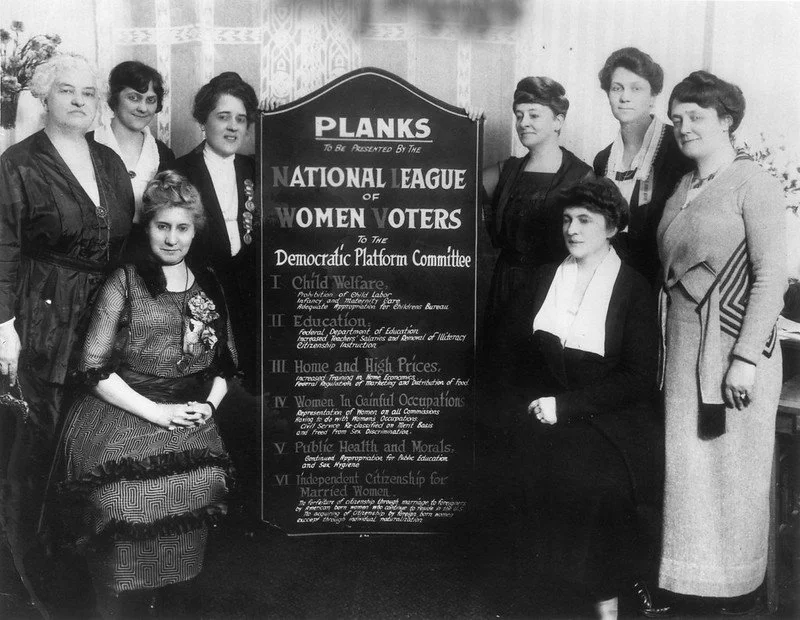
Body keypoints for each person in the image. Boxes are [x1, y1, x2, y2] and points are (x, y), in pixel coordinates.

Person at [59, 171, 237, 617]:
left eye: (182, 228)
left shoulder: (207, 281)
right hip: (121, 406)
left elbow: (225, 366)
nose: (172, 239)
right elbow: (93, 369)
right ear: (148, 226)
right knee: (120, 499)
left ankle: (173, 598)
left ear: (195, 230)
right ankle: (121, 601)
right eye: (163, 226)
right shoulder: (125, 279)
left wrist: (208, 406)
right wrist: (157, 413)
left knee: (202, 482)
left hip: (187, 412)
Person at [486, 179, 661, 619]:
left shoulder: (634, 288)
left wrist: (564, 407)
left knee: (592, 485)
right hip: (541, 410)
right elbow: (504, 352)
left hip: (608, 422)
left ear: (612, 227)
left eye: (585, 220)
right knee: (518, 471)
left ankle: (606, 601)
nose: (572, 229)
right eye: (567, 220)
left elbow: (638, 378)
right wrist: (526, 405)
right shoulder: (543, 277)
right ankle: (543, 599)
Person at [0, 53, 133, 614]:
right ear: (43, 97)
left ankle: (85, 567)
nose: (79, 100)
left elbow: (123, 245)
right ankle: (37, 583)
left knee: (91, 443)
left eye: (88, 92)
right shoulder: (19, 163)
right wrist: (3, 327)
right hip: (43, 318)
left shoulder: (108, 160)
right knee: (41, 446)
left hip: (102, 319)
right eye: (66, 91)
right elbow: (3, 247)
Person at [656, 71, 786, 614]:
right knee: (689, 473)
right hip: (684, 348)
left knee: (732, 473)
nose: (683, 127)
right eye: (676, 119)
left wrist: (744, 358)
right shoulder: (684, 186)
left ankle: (736, 589)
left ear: (727, 120)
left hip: (734, 349)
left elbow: (770, 276)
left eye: (696, 116)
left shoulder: (754, 182)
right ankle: (692, 587)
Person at [474, 76, 593, 326]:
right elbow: (453, 183)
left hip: (555, 289)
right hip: (506, 288)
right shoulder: (507, 170)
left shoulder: (581, 176)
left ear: (558, 121)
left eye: (534, 115)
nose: (523, 123)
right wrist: (466, 126)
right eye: (519, 116)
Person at [170, 71, 259, 390]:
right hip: (200, 293)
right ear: (203, 121)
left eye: (240, 119)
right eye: (223, 117)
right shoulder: (179, 171)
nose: (233, 126)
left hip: (250, 297)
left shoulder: (256, 169)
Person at [594, 48, 692, 286]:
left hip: (661, 283)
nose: (624, 97)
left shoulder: (678, 148)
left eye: (636, 88)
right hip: (611, 280)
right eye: (617, 88)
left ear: (653, 96)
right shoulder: (603, 160)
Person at [91, 61, 175, 223]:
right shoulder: (88, 144)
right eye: (133, 98)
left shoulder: (163, 154)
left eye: (150, 100)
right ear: (115, 98)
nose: (143, 108)